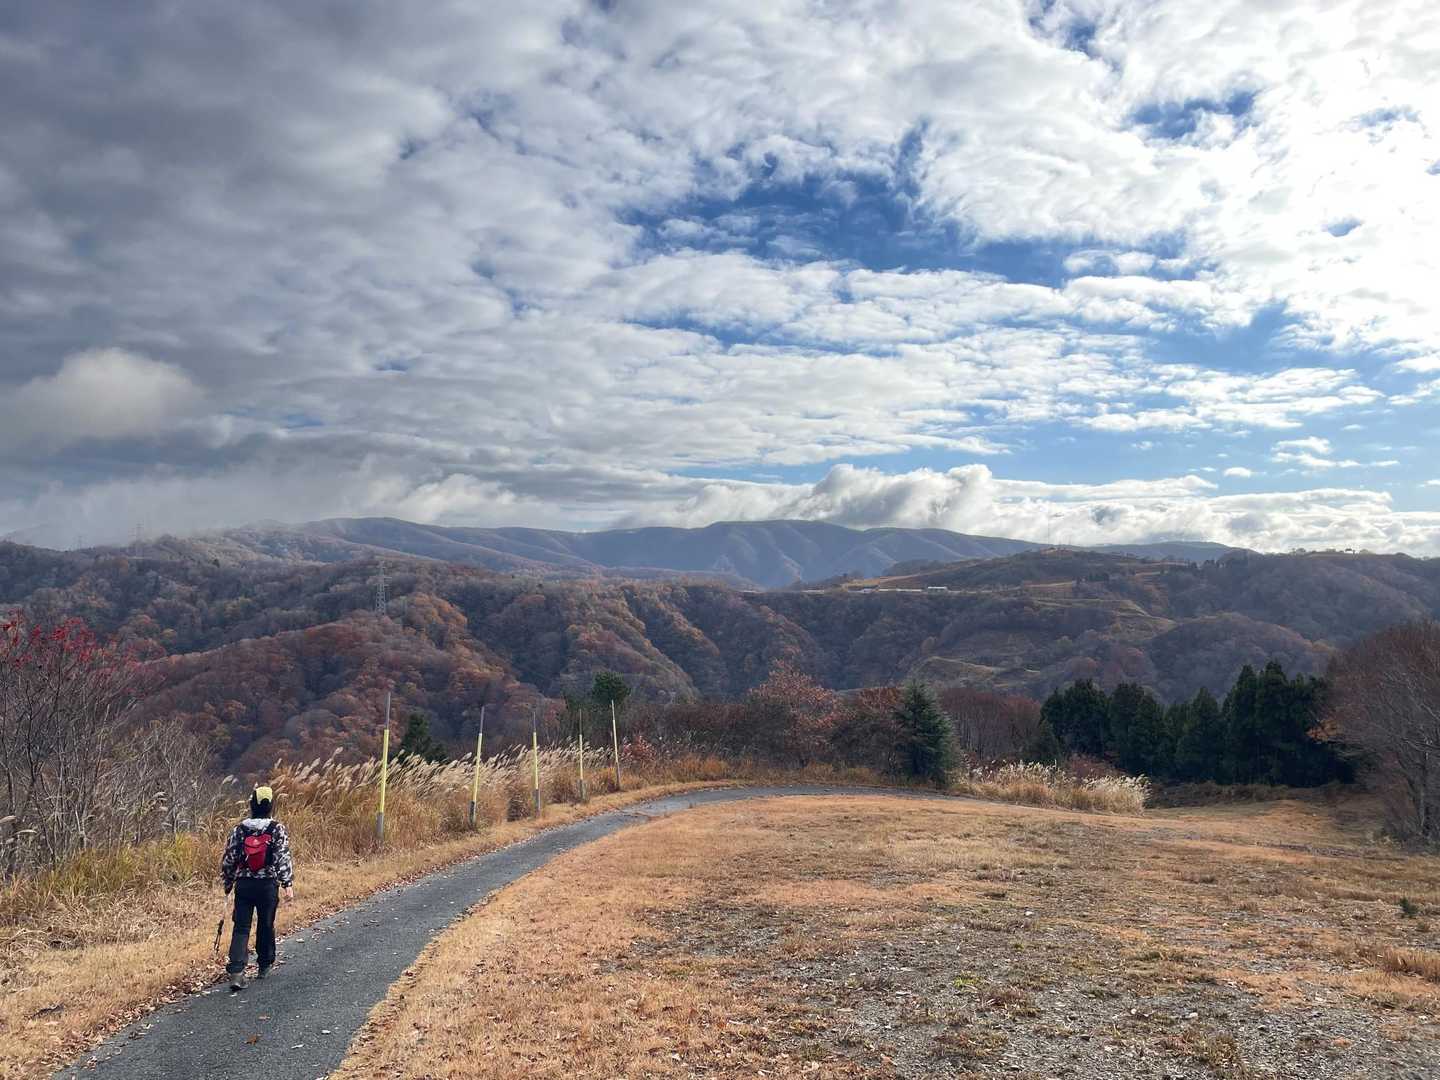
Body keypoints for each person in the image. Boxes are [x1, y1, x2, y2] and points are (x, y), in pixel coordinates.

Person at [219, 785, 295, 990]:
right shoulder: (276, 828)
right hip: (267, 884)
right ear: (271, 806)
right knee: (266, 923)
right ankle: (264, 964)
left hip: (244, 884)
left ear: (251, 804)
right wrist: (287, 883)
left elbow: (229, 858)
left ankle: (236, 971)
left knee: (241, 926)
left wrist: (228, 882)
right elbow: (282, 857)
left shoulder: (240, 829)